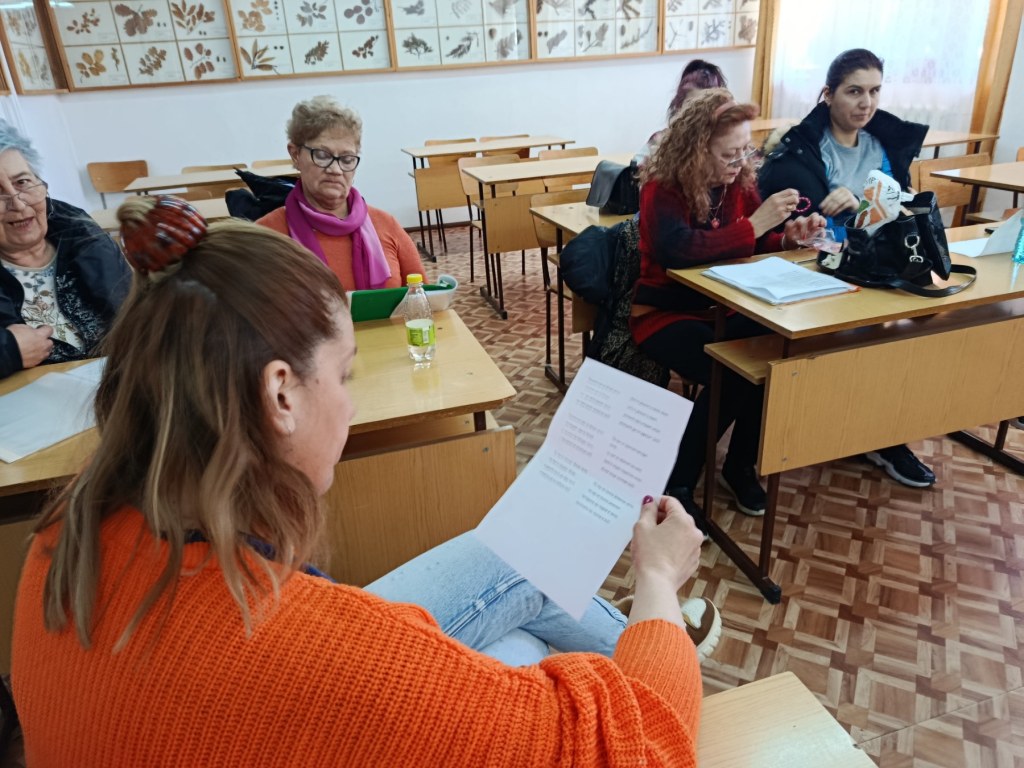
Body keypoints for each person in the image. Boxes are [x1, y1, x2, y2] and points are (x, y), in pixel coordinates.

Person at [11, 195, 722, 766]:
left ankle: (639, 652)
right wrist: (657, 579)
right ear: (281, 394)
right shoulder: (328, 654)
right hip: (282, 680)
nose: (350, 404)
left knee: (519, 629)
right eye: (344, 375)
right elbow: (651, 751)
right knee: (538, 651)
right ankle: (659, 647)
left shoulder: (65, 533)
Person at [630, 88, 825, 530]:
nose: (739, 164)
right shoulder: (663, 187)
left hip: (724, 305)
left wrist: (787, 238)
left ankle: (739, 466)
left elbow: (752, 242)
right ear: (696, 149)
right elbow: (678, 250)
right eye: (728, 155)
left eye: (745, 152)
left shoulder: (738, 182)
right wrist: (756, 225)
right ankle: (680, 482)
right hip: (663, 312)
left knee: (770, 358)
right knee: (732, 373)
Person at [758, 48, 937, 488]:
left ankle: (884, 437)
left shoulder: (881, 146)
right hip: (817, 273)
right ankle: (822, 433)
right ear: (829, 94)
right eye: (854, 91)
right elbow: (802, 230)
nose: (866, 103)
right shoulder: (802, 149)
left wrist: (860, 206)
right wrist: (854, 214)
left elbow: (899, 213)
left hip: (875, 268)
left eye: (874, 92)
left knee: (907, 340)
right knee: (851, 346)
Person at [0, 120, 130, 380]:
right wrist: (8, 352)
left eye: (22, 182)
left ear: (41, 184)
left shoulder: (86, 238)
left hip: (126, 386)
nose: (18, 204)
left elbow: (139, 316)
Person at [257, 95, 424, 291]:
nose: (335, 170)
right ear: (295, 154)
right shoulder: (265, 236)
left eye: (346, 159)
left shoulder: (387, 225)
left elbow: (426, 300)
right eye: (322, 155)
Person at [644, 59, 729, 158]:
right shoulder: (659, 142)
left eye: (706, 107)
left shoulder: (730, 146)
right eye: (692, 106)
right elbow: (636, 166)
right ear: (679, 105)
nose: (698, 114)